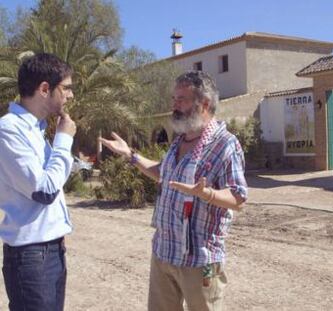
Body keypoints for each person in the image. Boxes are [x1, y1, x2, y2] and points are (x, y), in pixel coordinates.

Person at [100, 70, 248, 311]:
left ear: (205, 104)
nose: (174, 105)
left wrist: (206, 193)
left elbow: (239, 198)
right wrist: (130, 155)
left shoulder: (225, 144)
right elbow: (164, 173)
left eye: (182, 99)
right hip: (164, 252)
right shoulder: (180, 140)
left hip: (200, 260)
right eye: (174, 99)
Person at [0, 53, 76, 310]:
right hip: (30, 257)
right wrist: (64, 140)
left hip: (50, 252)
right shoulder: (9, 130)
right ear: (45, 88)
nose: (70, 95)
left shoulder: (36, 130)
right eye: (66, 88)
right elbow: (44, 191)